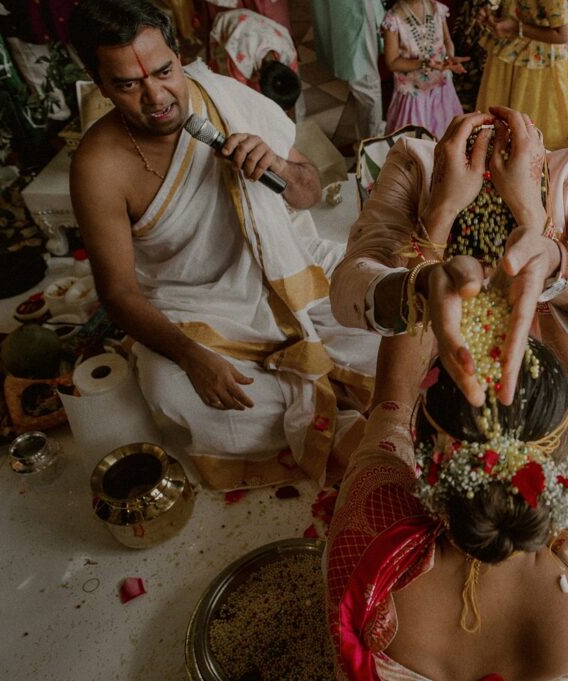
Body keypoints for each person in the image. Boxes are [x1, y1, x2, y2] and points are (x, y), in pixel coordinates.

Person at [330, 108, 568, 582]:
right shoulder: (417, 162)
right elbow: (348, 292)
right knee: (428, 541)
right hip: (444, 397)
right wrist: (441, 212)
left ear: (537, 154)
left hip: (550, 395)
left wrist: (540, 229)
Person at [68, 0, 378, 490]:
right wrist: (192, 357)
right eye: (128, 84)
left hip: (288, 268)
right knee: (172, 392)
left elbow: (310, 192)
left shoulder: (223, 95)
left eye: (165, 71)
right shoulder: (98, 166)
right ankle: (332, 411)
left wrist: (276, 164)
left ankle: (323, 391)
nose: (157, 96)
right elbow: (119, 293)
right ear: (99, 84)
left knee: (382, 310)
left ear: (177, 53)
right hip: (199, 308)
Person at [325, 309, 568, 680]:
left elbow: (392, 394)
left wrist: (420, 268)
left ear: (423, 462)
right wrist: (554, 272)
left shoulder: (365, 535)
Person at [475, 0, 568, 150]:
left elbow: (561, 35)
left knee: (533, 133)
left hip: (538, 66)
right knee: (495, 130)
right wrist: (490, 13)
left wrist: (516, 27)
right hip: (506, 53)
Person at [382, 0, 467, 139]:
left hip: (441, 89)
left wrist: (449, 57)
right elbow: (392, 62)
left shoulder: (437, 8)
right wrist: (424, 64)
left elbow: (447, 40)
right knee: (415, 144)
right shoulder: (393, 19)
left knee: (447, 137)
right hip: (413, 94)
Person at [311, 0, 385, 140]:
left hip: (354, 11)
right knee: (362, 81)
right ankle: (368, 142)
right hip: (347, 10)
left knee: (364, 81)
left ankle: (370, 142)